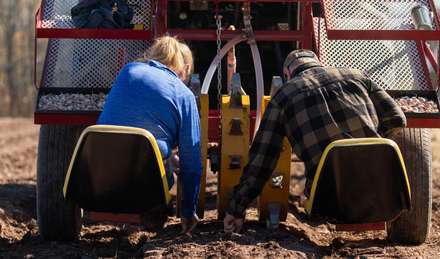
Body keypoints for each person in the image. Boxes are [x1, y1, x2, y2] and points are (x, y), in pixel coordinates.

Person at [223, 49, 407, 233]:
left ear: (287, 74)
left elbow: (261, 162)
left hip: (331, 202)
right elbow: (397, 118)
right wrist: (372, 139)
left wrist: (236, 209)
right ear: (319, 63)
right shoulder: (357, 75)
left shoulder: (283, 97)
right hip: (383, 189)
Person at [97, 36, 201, 236]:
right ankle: (152, 219)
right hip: (146, 183)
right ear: (186, 69)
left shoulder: (128, 71)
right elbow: (192, 163)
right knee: (166, 176)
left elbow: (134, 124)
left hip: (100, 172)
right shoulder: (184, 95)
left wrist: (168, 157)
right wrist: (188, 211)